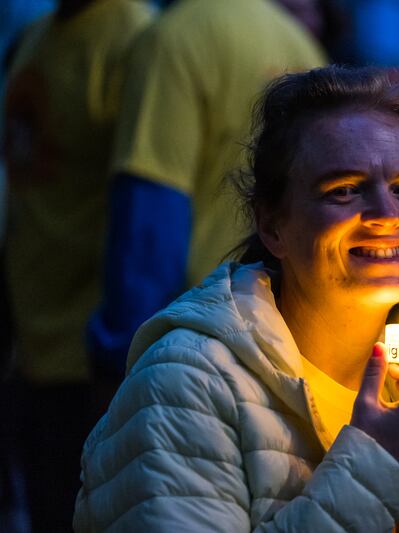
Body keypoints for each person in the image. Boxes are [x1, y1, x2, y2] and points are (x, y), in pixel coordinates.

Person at [74, 65, 399, 531]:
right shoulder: (187, 384)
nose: (386, 213)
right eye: (345, 190)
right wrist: (373, 463)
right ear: (272, 225)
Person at [87, 0, 327, 383]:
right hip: (279, 341)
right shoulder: (297, 41)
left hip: (187, 343)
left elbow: (149, 225)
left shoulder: (174, 40)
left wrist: (124, 355)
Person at [2, 1, 154, 530]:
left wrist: (116, 351)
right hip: (30, 345)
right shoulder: (35, 35)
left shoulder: (135, 38)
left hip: (89, 359)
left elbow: (143, 208)